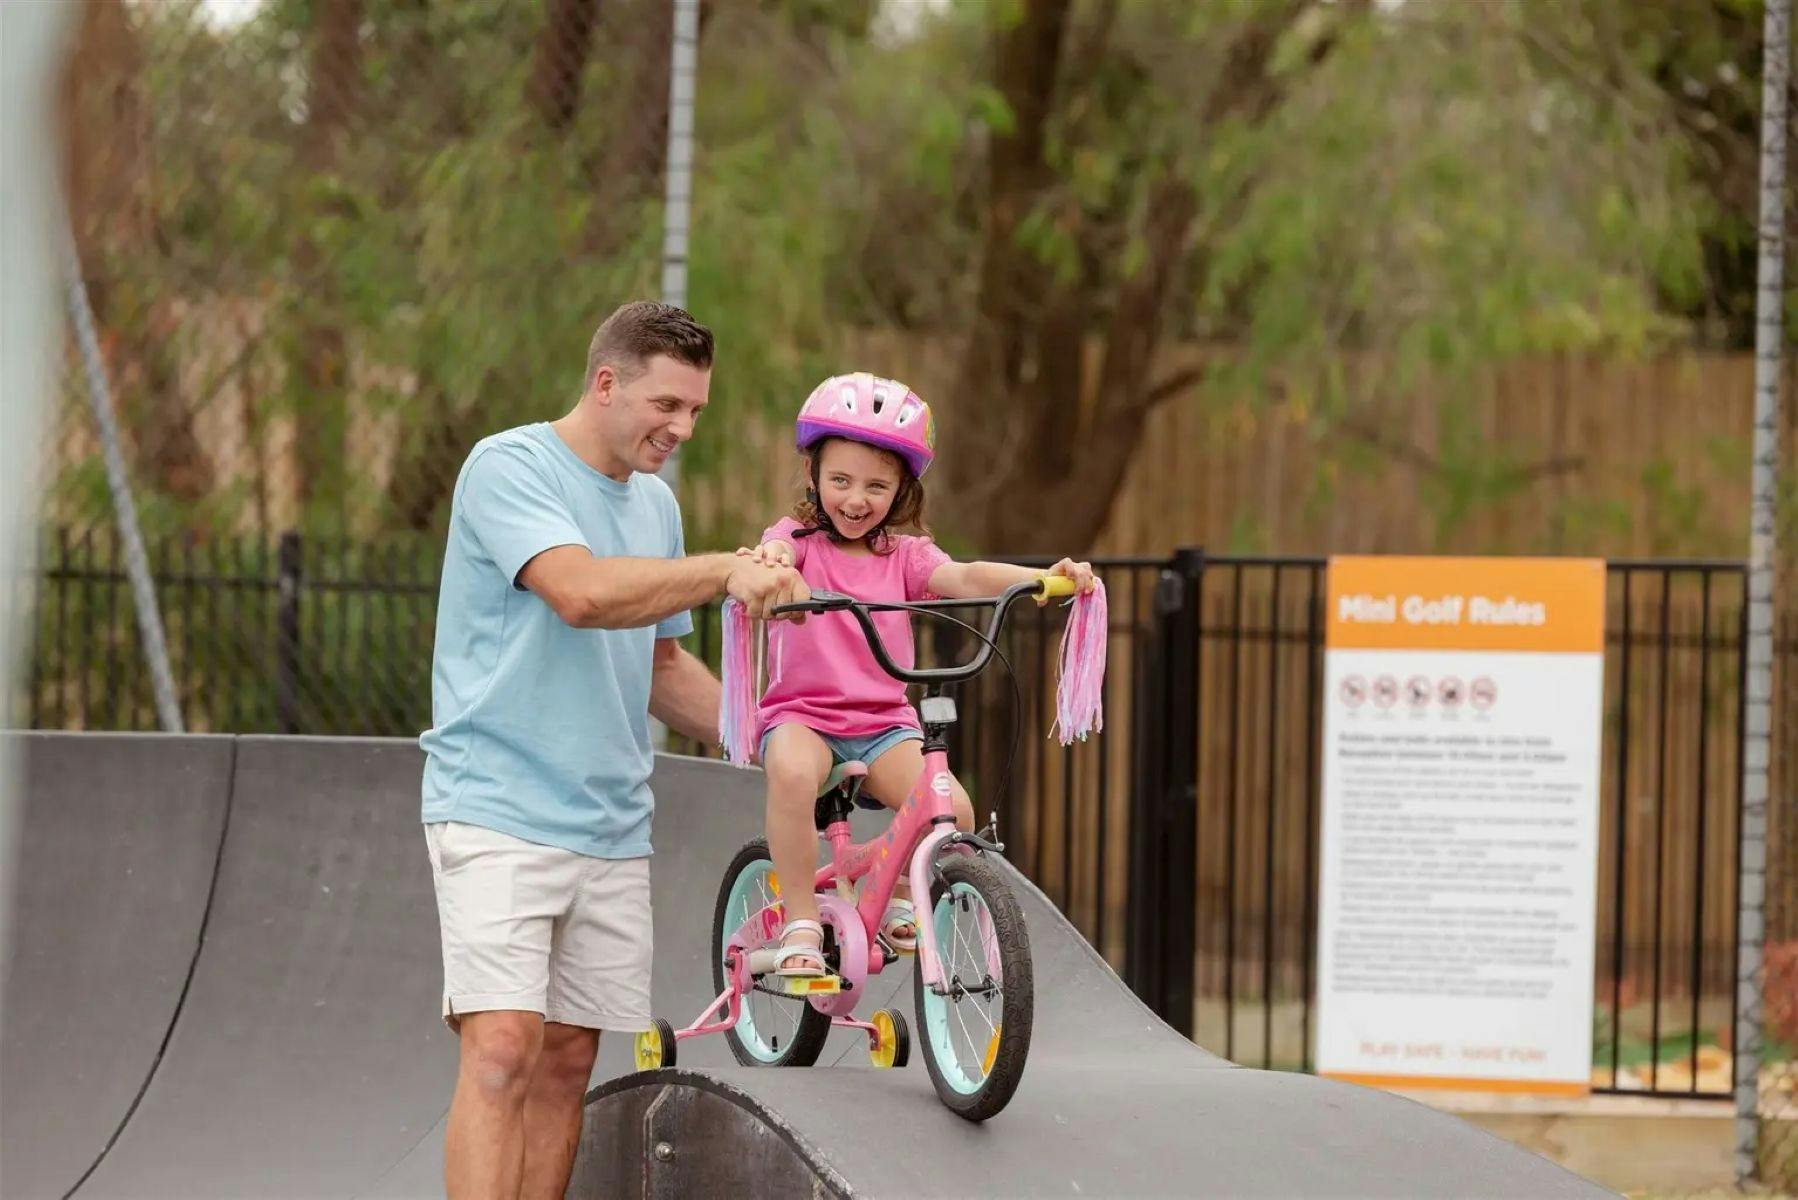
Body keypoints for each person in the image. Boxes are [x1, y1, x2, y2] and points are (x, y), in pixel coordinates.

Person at [419, 301, 807, 1199]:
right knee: (502, 1050)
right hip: (497, 808)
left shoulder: (656, 508)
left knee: (564, 1067)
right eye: (667, 405)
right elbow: (582, 595)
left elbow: (660, 669)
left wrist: (785, 736)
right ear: (606, 383)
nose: (681, 428)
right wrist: (722, 570)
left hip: (610, 825)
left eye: (697, 411)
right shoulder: (507, 467)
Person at [738, 371, 1095, 977]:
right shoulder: (794, 541)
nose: (856, 499)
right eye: (840, 480)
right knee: (794, 774)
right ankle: (801, 920)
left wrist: (1038, 580)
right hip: (805, 716)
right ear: (812, 476)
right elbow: (772, 558)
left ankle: (896, 891)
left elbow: (963, 576)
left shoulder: (904, 556)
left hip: (881, 723)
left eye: (876, 486)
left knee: (950, 807)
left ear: (901, 487)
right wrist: (772, 566)